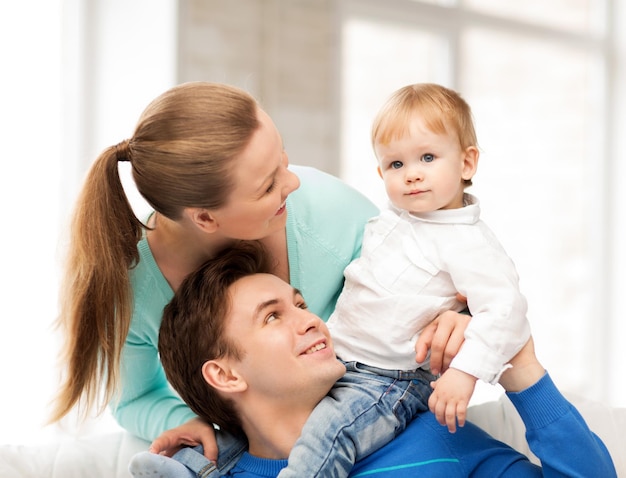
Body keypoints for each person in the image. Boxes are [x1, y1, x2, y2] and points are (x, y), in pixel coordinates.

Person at [48, 80, 404, 459]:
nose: (294, 181)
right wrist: (181, 421)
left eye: (282, 159)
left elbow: (436, 282)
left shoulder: (330, 211)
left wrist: (457, 316)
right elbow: (135, 398)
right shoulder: (133, 292)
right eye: (268, 186)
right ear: (204, 217)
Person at [129, 242, 616, 477]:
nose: (310, 320)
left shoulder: (434, 432)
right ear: (225, 374)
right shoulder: (213, 472)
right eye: (273, 317)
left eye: (300, 304)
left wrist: (521, 368)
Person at [270, 82, 532, 476]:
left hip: (388, 381)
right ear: (380, 172)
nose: (411, 175)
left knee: (327, 436)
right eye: (396, 165)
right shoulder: (392, 219)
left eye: (427, 157)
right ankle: (196, 466)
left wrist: (464, 372)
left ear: (466, 163)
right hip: (339, 358)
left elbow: (506, 311)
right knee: (269, 417)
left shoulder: (468, 242)